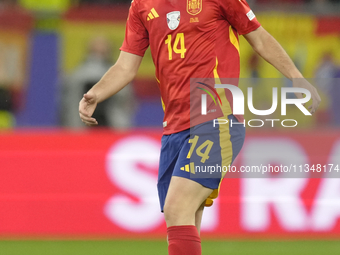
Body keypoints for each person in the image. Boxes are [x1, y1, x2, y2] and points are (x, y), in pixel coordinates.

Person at [79, 0, 321, 254]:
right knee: (186, 217)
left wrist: (296, 77)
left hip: (216, 118)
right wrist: (96, 93)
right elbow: (126, 66)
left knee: (177, 208)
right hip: (174, 128)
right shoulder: (141, 5)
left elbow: (259, 38)